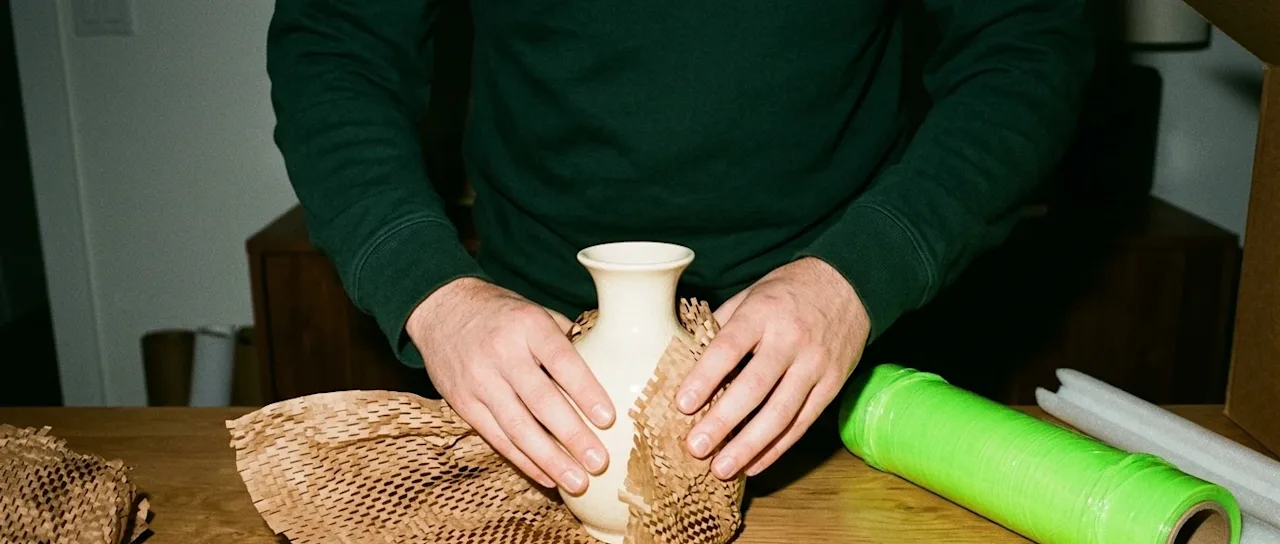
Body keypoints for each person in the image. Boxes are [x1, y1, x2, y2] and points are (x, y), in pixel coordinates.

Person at [266, 1, 1094, 496]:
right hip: (527, 372)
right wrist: (433, 295)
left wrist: (861, 277)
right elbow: (336, 43)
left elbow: (1025, 42)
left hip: (855, 349)